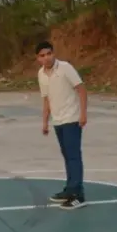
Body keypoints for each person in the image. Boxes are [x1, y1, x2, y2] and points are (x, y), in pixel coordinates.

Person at [36, 41, 88, 210]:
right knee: (67, 156)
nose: (47, 57)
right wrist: (45, 121)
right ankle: (70, 189)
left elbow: (81, 89)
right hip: (58, 120)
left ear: (53, 53)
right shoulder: (41, 74)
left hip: (72, 118)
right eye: (42, 55)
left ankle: (78, 195)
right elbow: (46, 99)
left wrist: (83, 113)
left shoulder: (65, 67)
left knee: (74, 156)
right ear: (38, 58)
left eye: (49, 53)